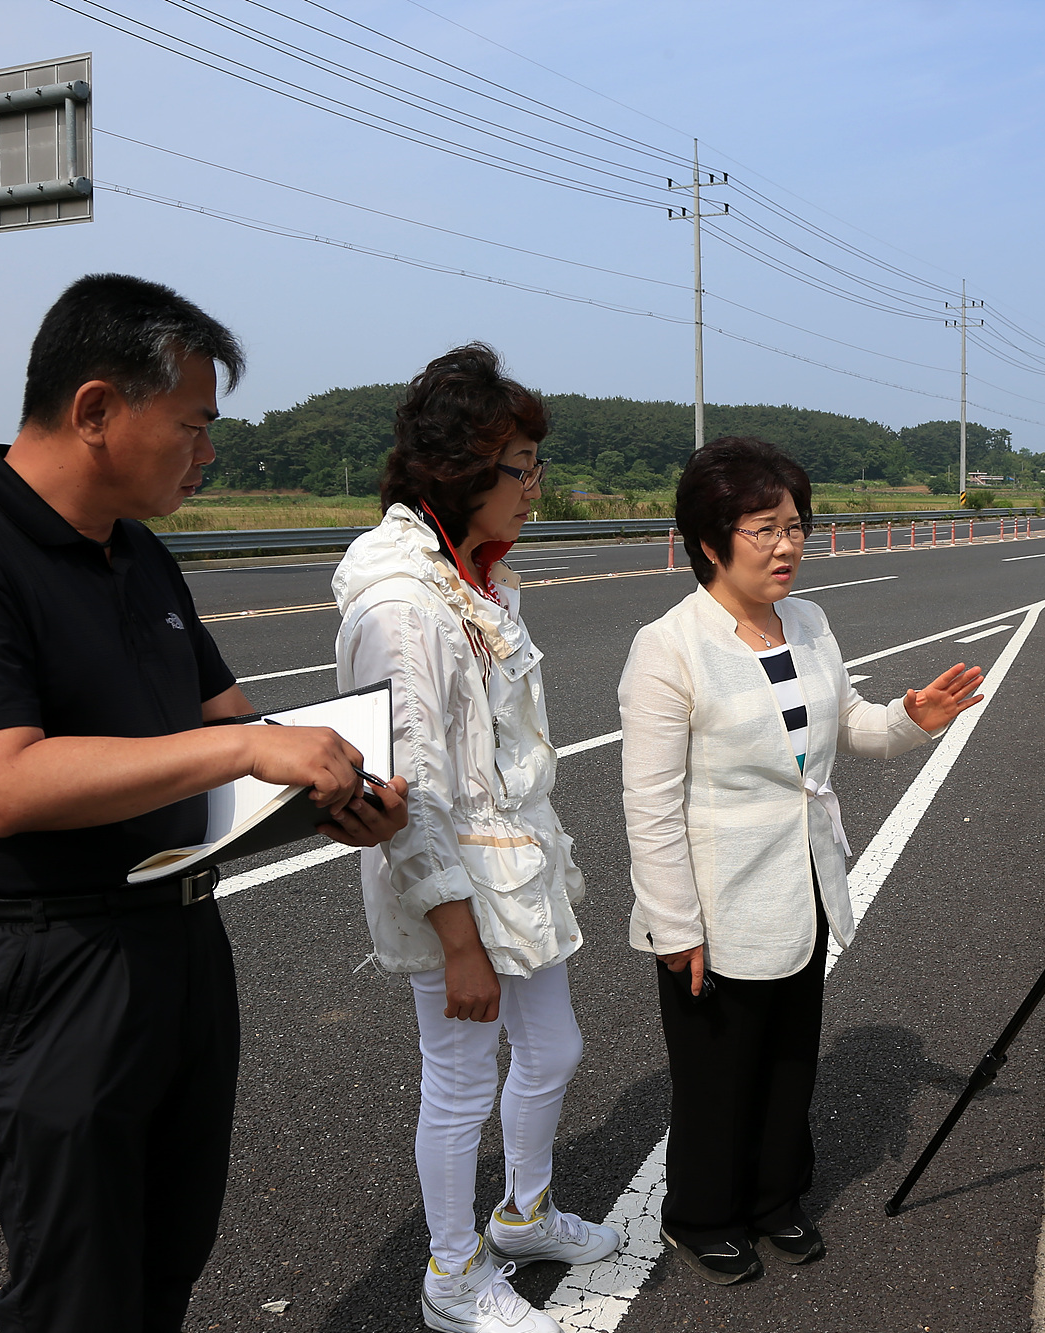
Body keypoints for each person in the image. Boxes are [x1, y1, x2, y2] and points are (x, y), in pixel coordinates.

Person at [0, 273, 408, 1333]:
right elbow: (2, 785)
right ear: (96, 408)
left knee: (164, 1257)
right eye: (192, 426)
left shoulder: (138, 555)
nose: (206, 454)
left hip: (179, 945)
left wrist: (339, 786)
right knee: (78, 1291)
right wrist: (244, 745)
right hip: (44, 967)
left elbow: (232, 722)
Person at [618, 436, 985, 1285]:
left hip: (806, 883)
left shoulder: (810, 623)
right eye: (764, 528)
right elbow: (650, 804)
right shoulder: (669, 647)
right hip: (715, 900)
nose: (788, 546)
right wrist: (674, 924)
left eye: (797, 526)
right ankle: (703, 1212)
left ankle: (776, 1198)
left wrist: (910, 717)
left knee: (788, 1057)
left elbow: (846, 725)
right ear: (711, 541)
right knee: (717, 1072)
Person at [333, 343, 621, 1333]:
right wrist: (457, 940)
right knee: (458, 1076)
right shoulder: (404, 606)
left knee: (553, 1048)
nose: (537, 486)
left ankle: (523, 1213)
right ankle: (451, 1276)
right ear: (462, 472)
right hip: (454, 889)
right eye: (522, 467)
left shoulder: (478, 583)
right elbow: (402, 793)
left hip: (512, 872)